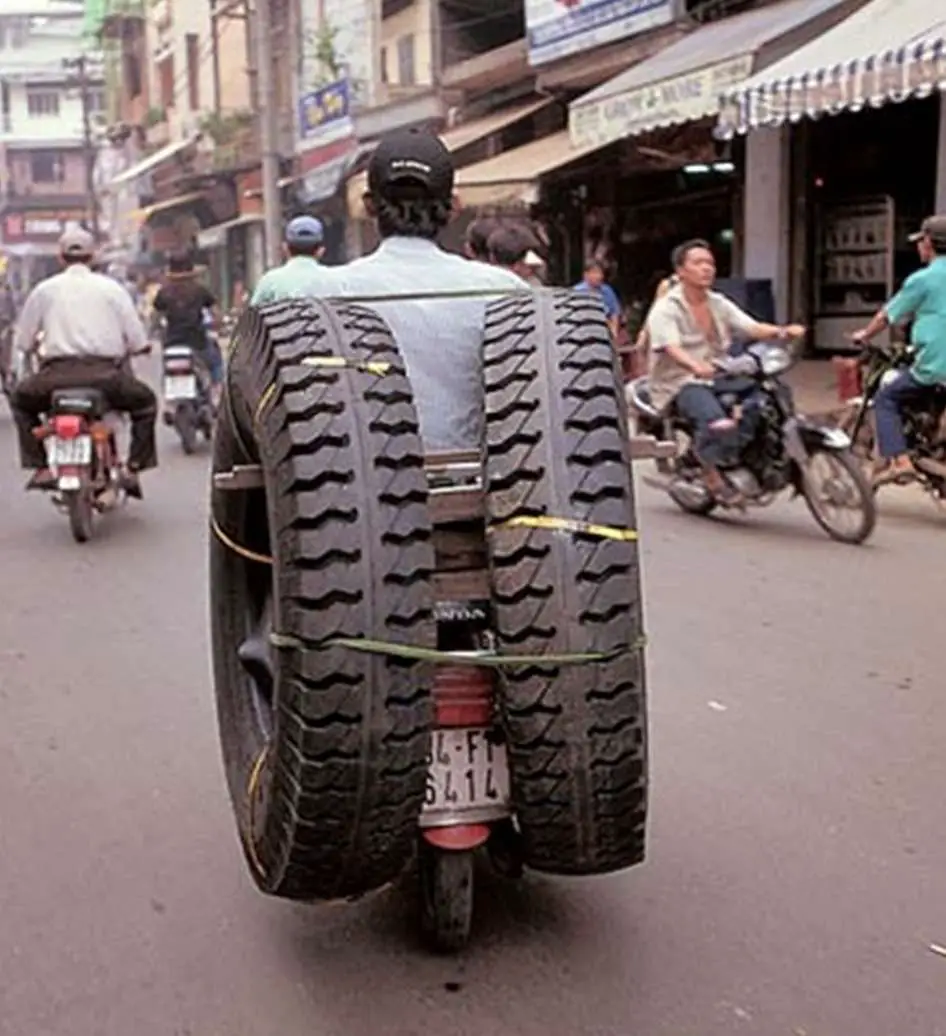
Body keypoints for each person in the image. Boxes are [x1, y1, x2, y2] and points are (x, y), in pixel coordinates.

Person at [276, 128, 526, 452]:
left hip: (350, 491)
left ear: (368, 206)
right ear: (453, 207)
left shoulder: (319, 294)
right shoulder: (508, 292)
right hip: (483, 488)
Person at [645, 238, 804, 503]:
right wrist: (695, 366)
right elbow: (669, 346)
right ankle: (705, 465)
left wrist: (783, 331)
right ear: (681, 271)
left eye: (710, 263)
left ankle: (751, 455)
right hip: (680, 382)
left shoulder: (718, 302)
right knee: (717, 421)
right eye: (698, 263)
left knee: (767, 398)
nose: (707, 268)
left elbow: (751, 327)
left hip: (718, 373)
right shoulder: (666, 309)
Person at [11, 227, 157, 497]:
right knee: (146, 404)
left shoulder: (44, 291)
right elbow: (137, 339)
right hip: (105, 376)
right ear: (93, 257)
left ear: (60, 257)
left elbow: (23, 341)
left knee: (20, 400)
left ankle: (40, 465)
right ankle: (133, 467)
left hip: (54, 375)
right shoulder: (112, 290)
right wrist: (139, 348)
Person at [852, 214, 946, 487]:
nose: (919, 246)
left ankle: (900, 461)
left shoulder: (923, 279)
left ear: (928, 243)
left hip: (936, 365)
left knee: (887, 398)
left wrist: (864, 334)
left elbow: (887, 315)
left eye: (921, 241)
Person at [153, 251, 223, 405]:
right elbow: (216, 315)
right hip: (197, 342)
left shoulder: (163, 293)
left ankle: (168, 403)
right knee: (216, 361)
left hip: (172, 343)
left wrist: (158, 331)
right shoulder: (200, 290)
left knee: (166, 369)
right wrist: (218, 324)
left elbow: (155, 318)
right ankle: (217, 391)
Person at [250, 215, 328, 306]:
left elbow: (253, 315)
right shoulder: (336, 281)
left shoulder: (270, 281)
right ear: (321, 251)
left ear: (285, 248)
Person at [574, 259, 621, 340]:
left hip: (606, 330)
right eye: (595, 273)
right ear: (586, 275)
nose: (599, 276)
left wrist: (614, 330)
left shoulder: (607, 290)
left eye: (600, 273)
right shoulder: (577, 292)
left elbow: (615, 312)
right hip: (586, 330)